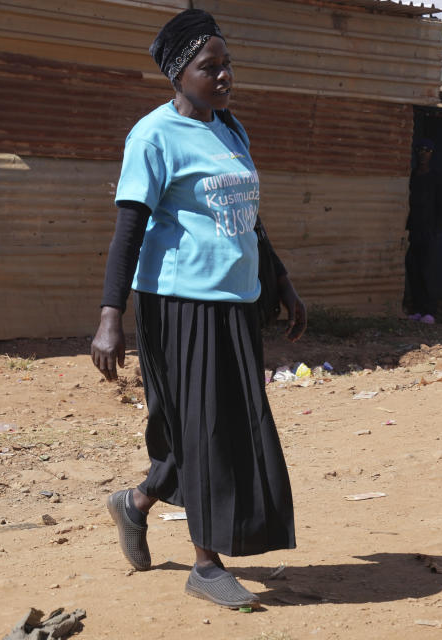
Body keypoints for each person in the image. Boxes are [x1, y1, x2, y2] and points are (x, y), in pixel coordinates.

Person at [90, 9, 306, 610]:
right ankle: (205, 564)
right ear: (177, 73)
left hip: (237, 301)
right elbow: (128, 231)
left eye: (227, 65)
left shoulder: (230, 129)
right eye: (210, 67)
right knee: (204, 427)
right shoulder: (153, 136)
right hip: (179, 304)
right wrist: (112, 314)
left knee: (221, 424)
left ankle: (134, 503)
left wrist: (282, 281)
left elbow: (250, 219)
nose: (224, 76)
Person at [404, 137, 442, 324]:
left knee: (427, 272)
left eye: (427, 151)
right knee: (413, 271)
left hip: (428, 233)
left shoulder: (436, 179)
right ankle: (418, 310)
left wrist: (436, 230)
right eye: (420, 151)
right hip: (412, 231)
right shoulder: (412, 176)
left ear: (432, 155)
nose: (423, 155)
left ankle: (430, 311)